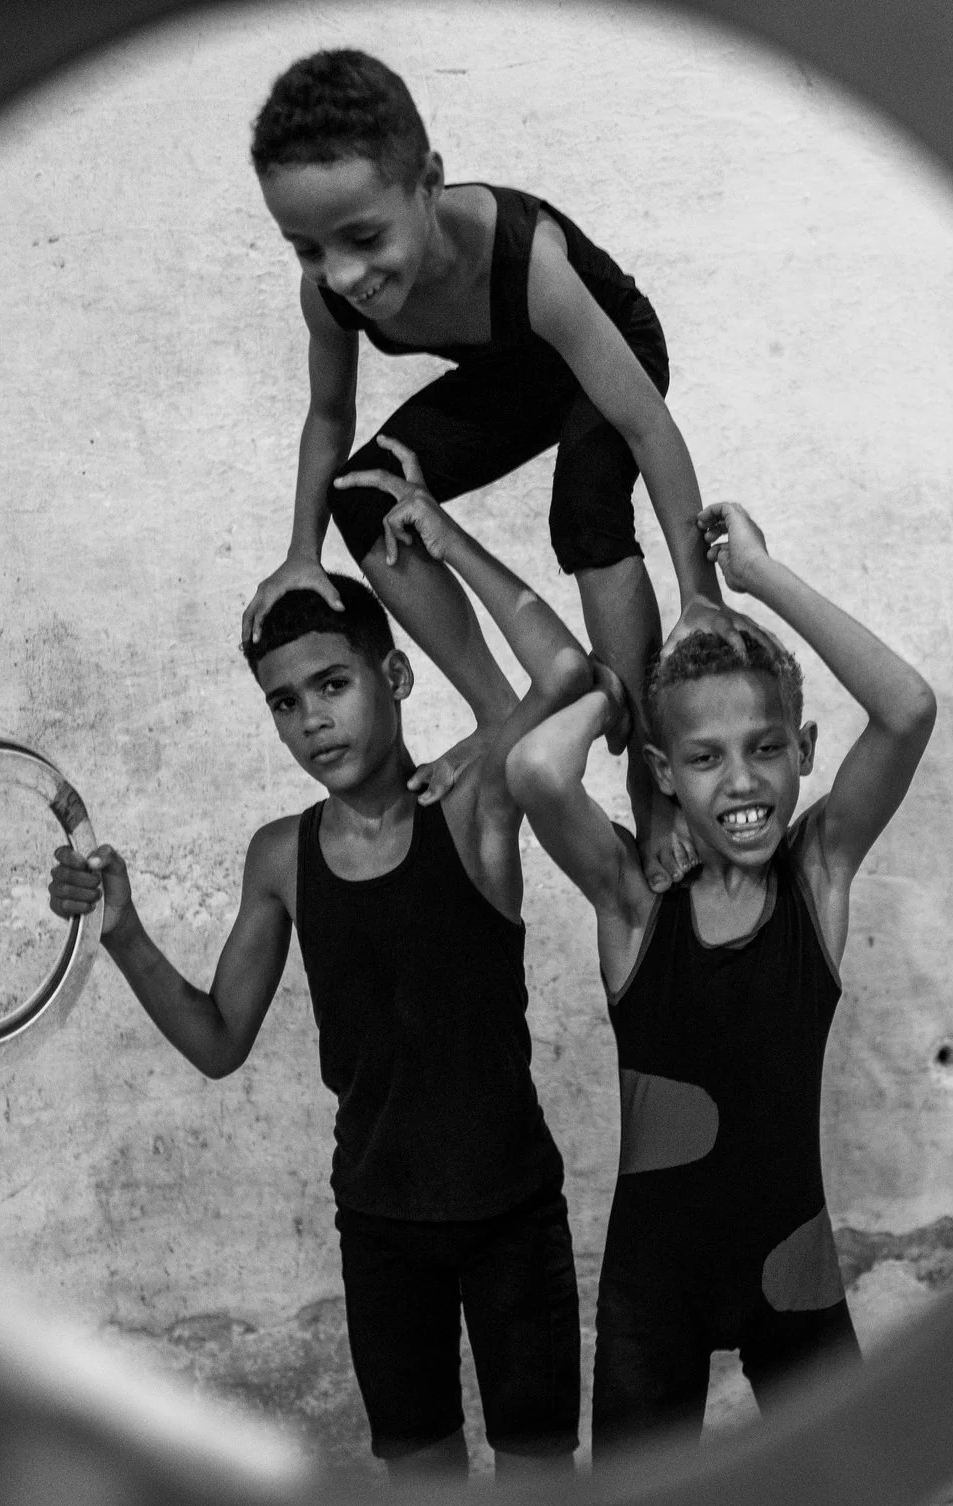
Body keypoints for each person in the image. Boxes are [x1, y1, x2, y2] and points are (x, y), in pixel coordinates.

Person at [50, 444, 597, 1506]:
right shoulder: (280, 859)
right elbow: (215, 1040)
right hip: (383, 1229)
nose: (311, 721)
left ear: (394, 676)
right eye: (285, 703)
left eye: (333, 685)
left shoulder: (477, 807)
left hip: (513, 1215)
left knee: (545, 1502)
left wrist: (442, 544)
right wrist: (125, 931)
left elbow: (569, 678)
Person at [508, 503, 953, 1506]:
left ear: (804, 752)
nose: (740, 781)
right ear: (663, 774)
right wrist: (621, 687)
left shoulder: (820, 878)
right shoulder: (631, 910)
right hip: (654, 1296)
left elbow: (905, 708)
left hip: (792, 1280)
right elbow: (531, 769)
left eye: (766, 748)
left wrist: (758, 579)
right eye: (702, 759)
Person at [242, 47, 725, 887]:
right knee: (362, 495)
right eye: (308, 250)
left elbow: (645, 426)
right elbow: (329, 416)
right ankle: (500, 713)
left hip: (610, 347)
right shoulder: (327, 297)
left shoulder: (523, 258)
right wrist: (298, 553)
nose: (343, 274)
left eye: (363, 237)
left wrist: (701, 602)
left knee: (586, 507)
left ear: (428, 182)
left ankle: (655, 796)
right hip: (516, 373)